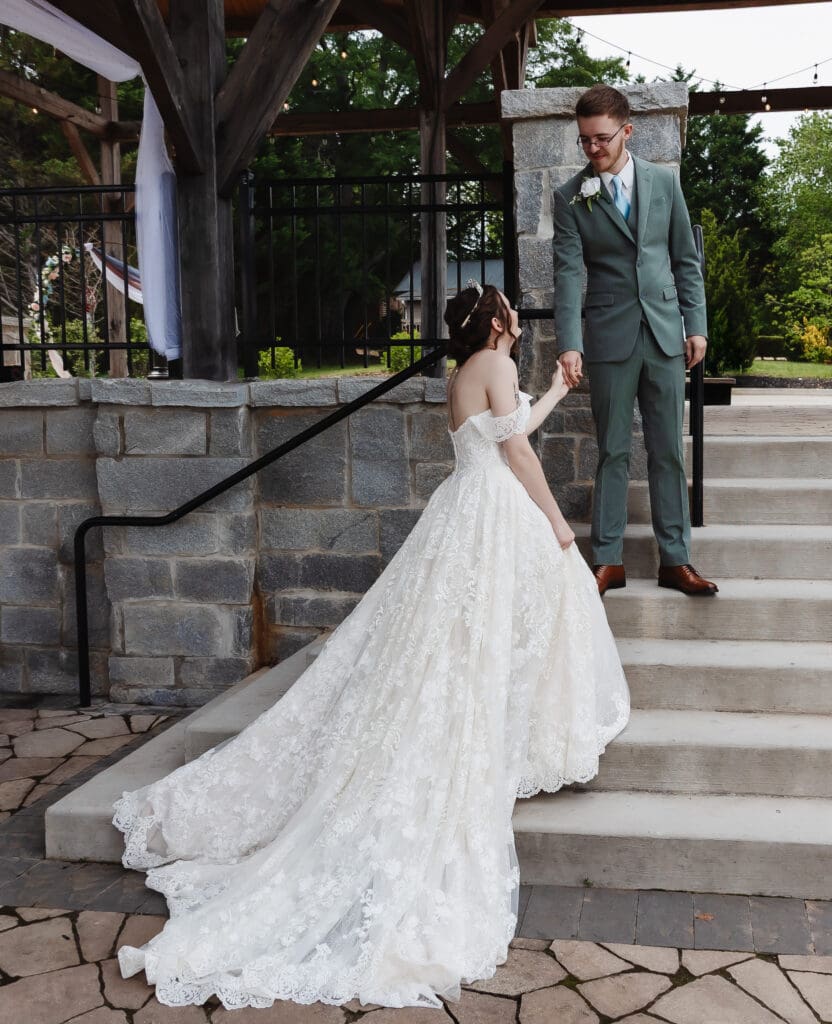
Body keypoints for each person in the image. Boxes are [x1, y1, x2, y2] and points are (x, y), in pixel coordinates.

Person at [112, 283, 630, 1012]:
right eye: (509, 309)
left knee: (455, 638)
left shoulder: (470, 372)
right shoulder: (491, 363)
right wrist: (557, 524)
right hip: (491, 514)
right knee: (498, 620)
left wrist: (552, 389)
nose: (516, 314)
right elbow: (517, 455)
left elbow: (508, 430)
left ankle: (495, 723)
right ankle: (491, 730)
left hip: (465, 508)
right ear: (495, 324)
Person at [553, 84, 718, 597]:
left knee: (668, 450)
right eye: (584, 140)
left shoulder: (664, 183)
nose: (592, 149)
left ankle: (677, 560)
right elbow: (568, 275)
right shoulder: (570, 198)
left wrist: (697, 325)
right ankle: (607, 560)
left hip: (667, 334)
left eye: (601, 138)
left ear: (627, 131)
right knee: (613, 452)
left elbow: (685, 262)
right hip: (608, 336)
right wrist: (571, 342)